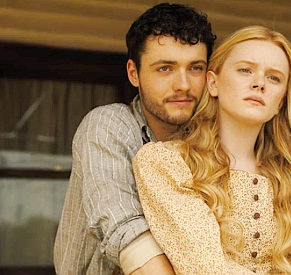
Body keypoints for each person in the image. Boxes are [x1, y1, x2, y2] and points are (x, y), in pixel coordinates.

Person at [133, 25, 291, 274]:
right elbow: (205, 267)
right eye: (245, 70)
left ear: (280, 102)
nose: (259, 84)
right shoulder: (168, 165)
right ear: (213, 83)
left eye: (274, 77)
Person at [53, 3, 216, 274]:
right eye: (165, 68)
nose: (184, 85)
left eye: (195, 68)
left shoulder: (210, 142)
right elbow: (127, 233)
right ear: (133, 73)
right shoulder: (108, 126)